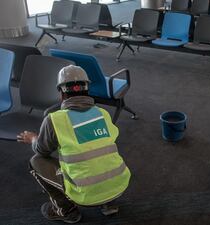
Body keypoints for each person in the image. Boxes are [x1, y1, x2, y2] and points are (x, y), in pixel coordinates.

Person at [17, 65, 131, 223]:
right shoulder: (103, 114)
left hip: (84, 193)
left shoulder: (54, 119)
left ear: (62, 93)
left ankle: (66, 210)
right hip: (119, 183)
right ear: (87, 89)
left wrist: (33, 138)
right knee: (100, 155)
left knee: (36, 161)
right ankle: (109, 204)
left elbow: (42, 151)